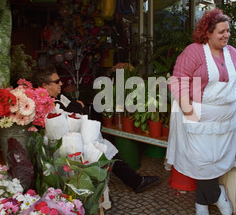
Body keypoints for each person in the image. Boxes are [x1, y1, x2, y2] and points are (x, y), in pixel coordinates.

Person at [166, 9, 236, 215]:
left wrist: (231, 87)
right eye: (221, 31)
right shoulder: (193, 52)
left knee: (216, 158)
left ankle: (201, 201)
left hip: (226, 119)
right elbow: (178, 82)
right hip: (198, 116)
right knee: (202, 160)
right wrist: (188, 110)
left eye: (228, 31)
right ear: (208, 33)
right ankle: (216, 194)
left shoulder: (231, 53)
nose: (226, 35)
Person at [30, 66, 160, 193]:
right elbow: (71, 114)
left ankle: (135, 181)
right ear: (45, 86)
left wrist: (76, 106)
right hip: (69, 148)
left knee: (108, 151)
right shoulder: (44, 105)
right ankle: (134, 182)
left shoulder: (58, 98)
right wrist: (76, 106)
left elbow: (79, 109)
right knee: (104, 152)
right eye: (57, 81)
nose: (61, 83)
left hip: (79, 140)